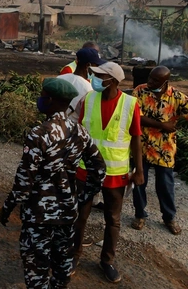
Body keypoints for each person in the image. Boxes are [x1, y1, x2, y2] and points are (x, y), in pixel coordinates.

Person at [0, 78, 106, 289]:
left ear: (52, 100)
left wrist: (8, 207)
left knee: (37, 269)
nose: (40, 100)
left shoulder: (39, 134)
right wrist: (83, 199)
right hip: (67, 212)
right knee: (61, 269)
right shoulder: (80, 132)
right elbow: (99, 168)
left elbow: (24, 180)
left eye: (43, 96)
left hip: (38, 215)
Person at [72, 61, 144, 283]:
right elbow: (79, 132)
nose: (94, 78)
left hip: (115, 174)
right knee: (79, 215)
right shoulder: (89, 99)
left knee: (113, 219)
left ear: (111, 80)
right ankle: (74, 255)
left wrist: (139, 170)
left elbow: (136, 139)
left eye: (98, 76)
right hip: (87, 169)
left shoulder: (131, 104)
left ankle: (107, 261)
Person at [132, 66, 188, 235]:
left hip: (165, 149)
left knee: (165, 185)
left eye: (155, 80)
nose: (150, 82)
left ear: (165, 82)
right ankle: (140, 215)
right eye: (150, 78)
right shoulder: (140, 91)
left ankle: (169, 218)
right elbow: (136, 118)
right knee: (139, 183)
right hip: (141, 146)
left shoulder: (177, 97)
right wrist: (163, 125)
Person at [57, 47, 105, 123]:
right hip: (72, 128)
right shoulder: (89, 89)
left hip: (54, 124)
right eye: (96, 66)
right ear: (88, 65)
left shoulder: (59, 79)